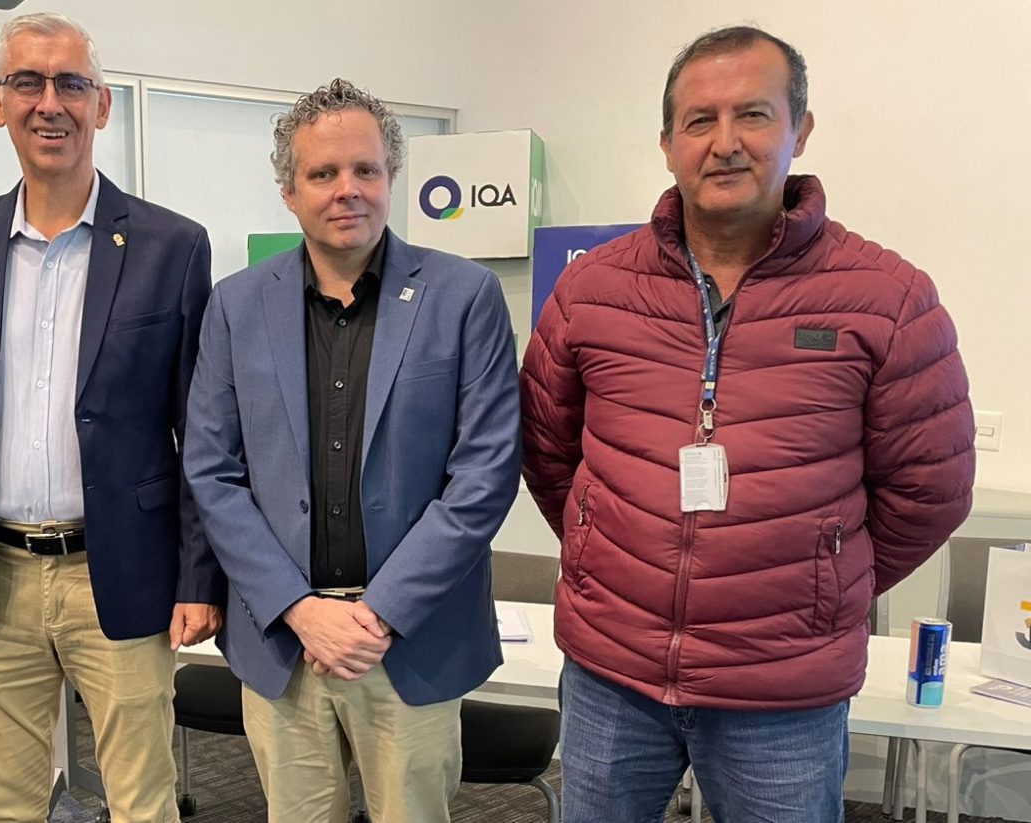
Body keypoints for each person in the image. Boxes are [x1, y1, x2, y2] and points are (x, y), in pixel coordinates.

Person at [519, 26, 975, 822]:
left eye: (753, 115)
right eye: (700, 120)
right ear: (667, 143)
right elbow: (548, 449)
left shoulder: (888, 298)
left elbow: (930, 489)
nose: (725, 143)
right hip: (613, 672)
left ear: (801, 129)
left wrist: (821, 580)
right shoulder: (592, 290)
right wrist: (605, 549)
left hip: (783, 688)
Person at [0, 12, 222, 823]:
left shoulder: (173, 246)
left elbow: (200, 433)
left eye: (71, 84)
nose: (51, 103)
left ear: (101, 105)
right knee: (6, 803)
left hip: (122, 568)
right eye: (28, 83)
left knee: (143, 801)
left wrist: (197, 576)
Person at [183, 77, 520, 822]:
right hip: (285, 642)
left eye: (366, 169)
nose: (348, 189)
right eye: (323, 173)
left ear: (392, 177)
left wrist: (381, 613)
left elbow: (485, 474)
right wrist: (299, 610)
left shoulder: (464, 297)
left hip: (409, 641)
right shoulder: (235, 305)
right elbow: (212, 471)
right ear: (288, 191)